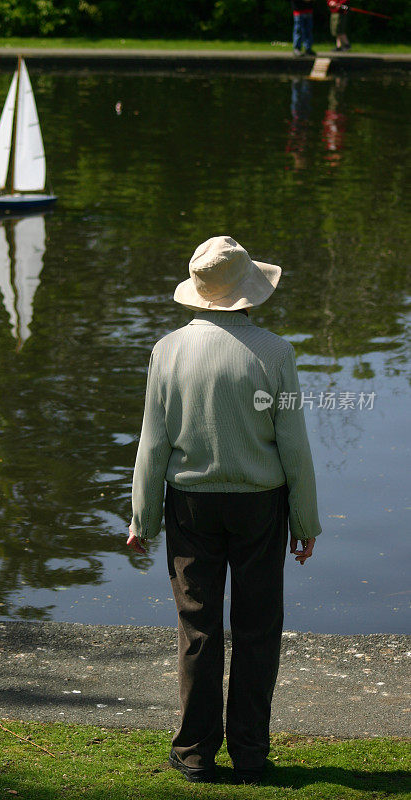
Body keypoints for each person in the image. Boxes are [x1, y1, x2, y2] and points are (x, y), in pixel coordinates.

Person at [127, 236, 322, 785]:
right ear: (248, 293)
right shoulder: (276, 353)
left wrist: (143, 516)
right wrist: (305, 521)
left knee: (198, 628)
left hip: (190, 506)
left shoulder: (167, 351)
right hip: (261, 506)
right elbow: (294, 446)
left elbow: (153, 442)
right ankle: (252, 752)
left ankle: (193, 752)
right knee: (258, 627)